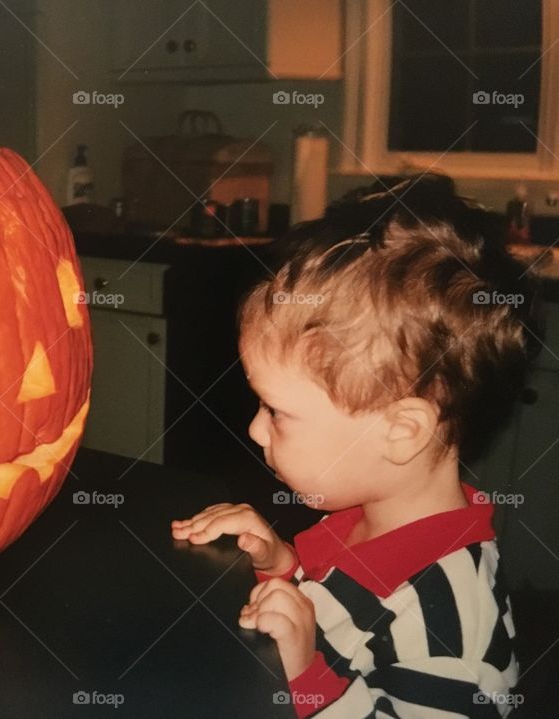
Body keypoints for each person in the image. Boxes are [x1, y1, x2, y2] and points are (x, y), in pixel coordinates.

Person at [172, 175, 540, 717]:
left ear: (401, 432)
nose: (255, 429)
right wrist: (281, 567)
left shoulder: (450, 622)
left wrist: (304, 675)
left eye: (277, 411)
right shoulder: (369, 514)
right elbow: (342, 616)